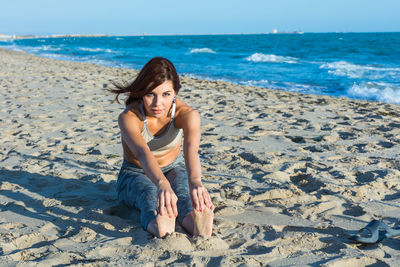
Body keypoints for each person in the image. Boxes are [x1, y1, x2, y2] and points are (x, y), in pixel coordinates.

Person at [109, 57, 214, 238]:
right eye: (151, 94)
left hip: (174, 167)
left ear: (175, 93)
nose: (158, 104)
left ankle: (197, 225)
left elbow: (191, 151)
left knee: (182, 196)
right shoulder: (129, 117)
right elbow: (142, 153)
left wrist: (195, 182)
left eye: (166, 94)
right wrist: (162, 183)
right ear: (141, 93)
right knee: (150, 196)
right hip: (135, 173)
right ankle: (159, 227)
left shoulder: (188, 115)